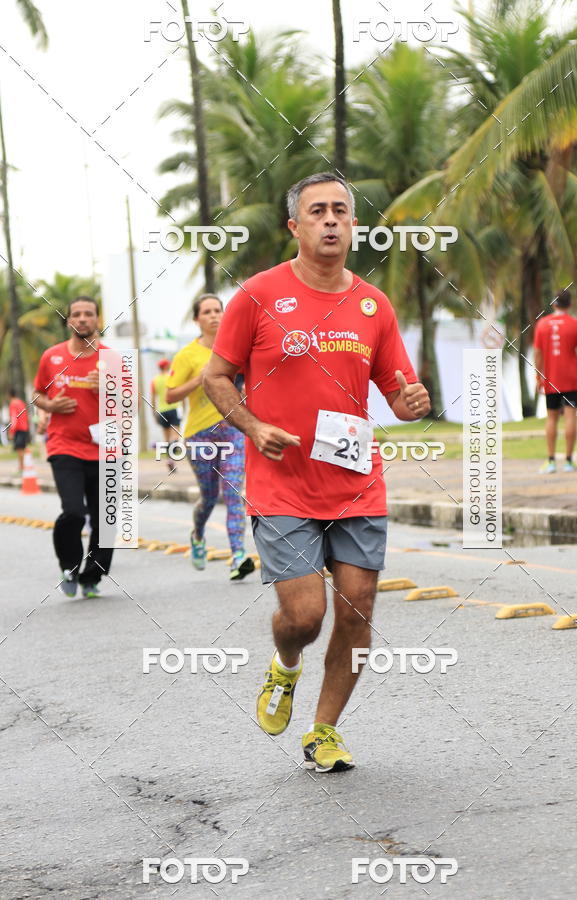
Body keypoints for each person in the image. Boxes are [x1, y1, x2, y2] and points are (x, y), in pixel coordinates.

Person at [203, 172, 430, 773]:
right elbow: (217, 377)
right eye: (317, 212)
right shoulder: (256, 295)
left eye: (340, 211)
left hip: (354, 478)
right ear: (295, 226)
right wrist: (252, 427)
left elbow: (395, 384)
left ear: (353, 225)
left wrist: (410, 402)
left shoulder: (372, 304)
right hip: (281, 482)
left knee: (358, 608)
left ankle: (323, 730)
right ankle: (285, 665)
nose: (330, 220)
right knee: (304, 616)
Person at [166, 294, 255, 581]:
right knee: (209, 496)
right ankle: (198, 534)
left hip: (232, 428)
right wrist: (200, 378)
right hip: (199, 435)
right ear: (197, 320)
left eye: (218, 310)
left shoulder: (237, 348)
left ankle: (238, 555)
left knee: (232, 492)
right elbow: (170, 396)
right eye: (207, 312)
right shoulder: (187, 355)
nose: (214, 315)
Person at [32, 296, 114, 598]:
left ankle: (92, 576)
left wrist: (108, 388)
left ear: (97, 320)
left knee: (105, 519)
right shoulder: (51, 356)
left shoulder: (113, 360)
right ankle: (69, 565)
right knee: (74, 512)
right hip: (64, 445)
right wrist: (51, 404)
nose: (82, 319)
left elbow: (130, 408)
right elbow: (38, 393)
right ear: (68, 321)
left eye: (88, 314)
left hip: (104, 448)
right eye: (76, 314)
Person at [533, 289, 577, 473]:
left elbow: (537, 354)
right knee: (570, 417)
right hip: (572, 379)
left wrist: (538, 377)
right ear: (570, 305)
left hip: (551, 379)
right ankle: (568, 461)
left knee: (551, 418)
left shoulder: (542, 324)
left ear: (553, 304)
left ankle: (550, 461)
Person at [151, 358, 181, 473]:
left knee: (166, 438)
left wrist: (154, 413)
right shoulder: (171, 377)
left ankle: (169, 460)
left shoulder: (154, 380)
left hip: (161, 411)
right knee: (175, 435)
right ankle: (172, 455)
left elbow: (153, 399)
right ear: (167, 366)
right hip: (173, 408)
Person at [8, 387, 31, 474]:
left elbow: (14, 418)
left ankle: (21, 467)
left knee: (19, 448)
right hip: (24, 427)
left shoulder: (13, 403)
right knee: (22, 448)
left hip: (18, 428)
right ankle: (24, 466)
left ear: (9, 395)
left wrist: (11, 431)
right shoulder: (21, 402)